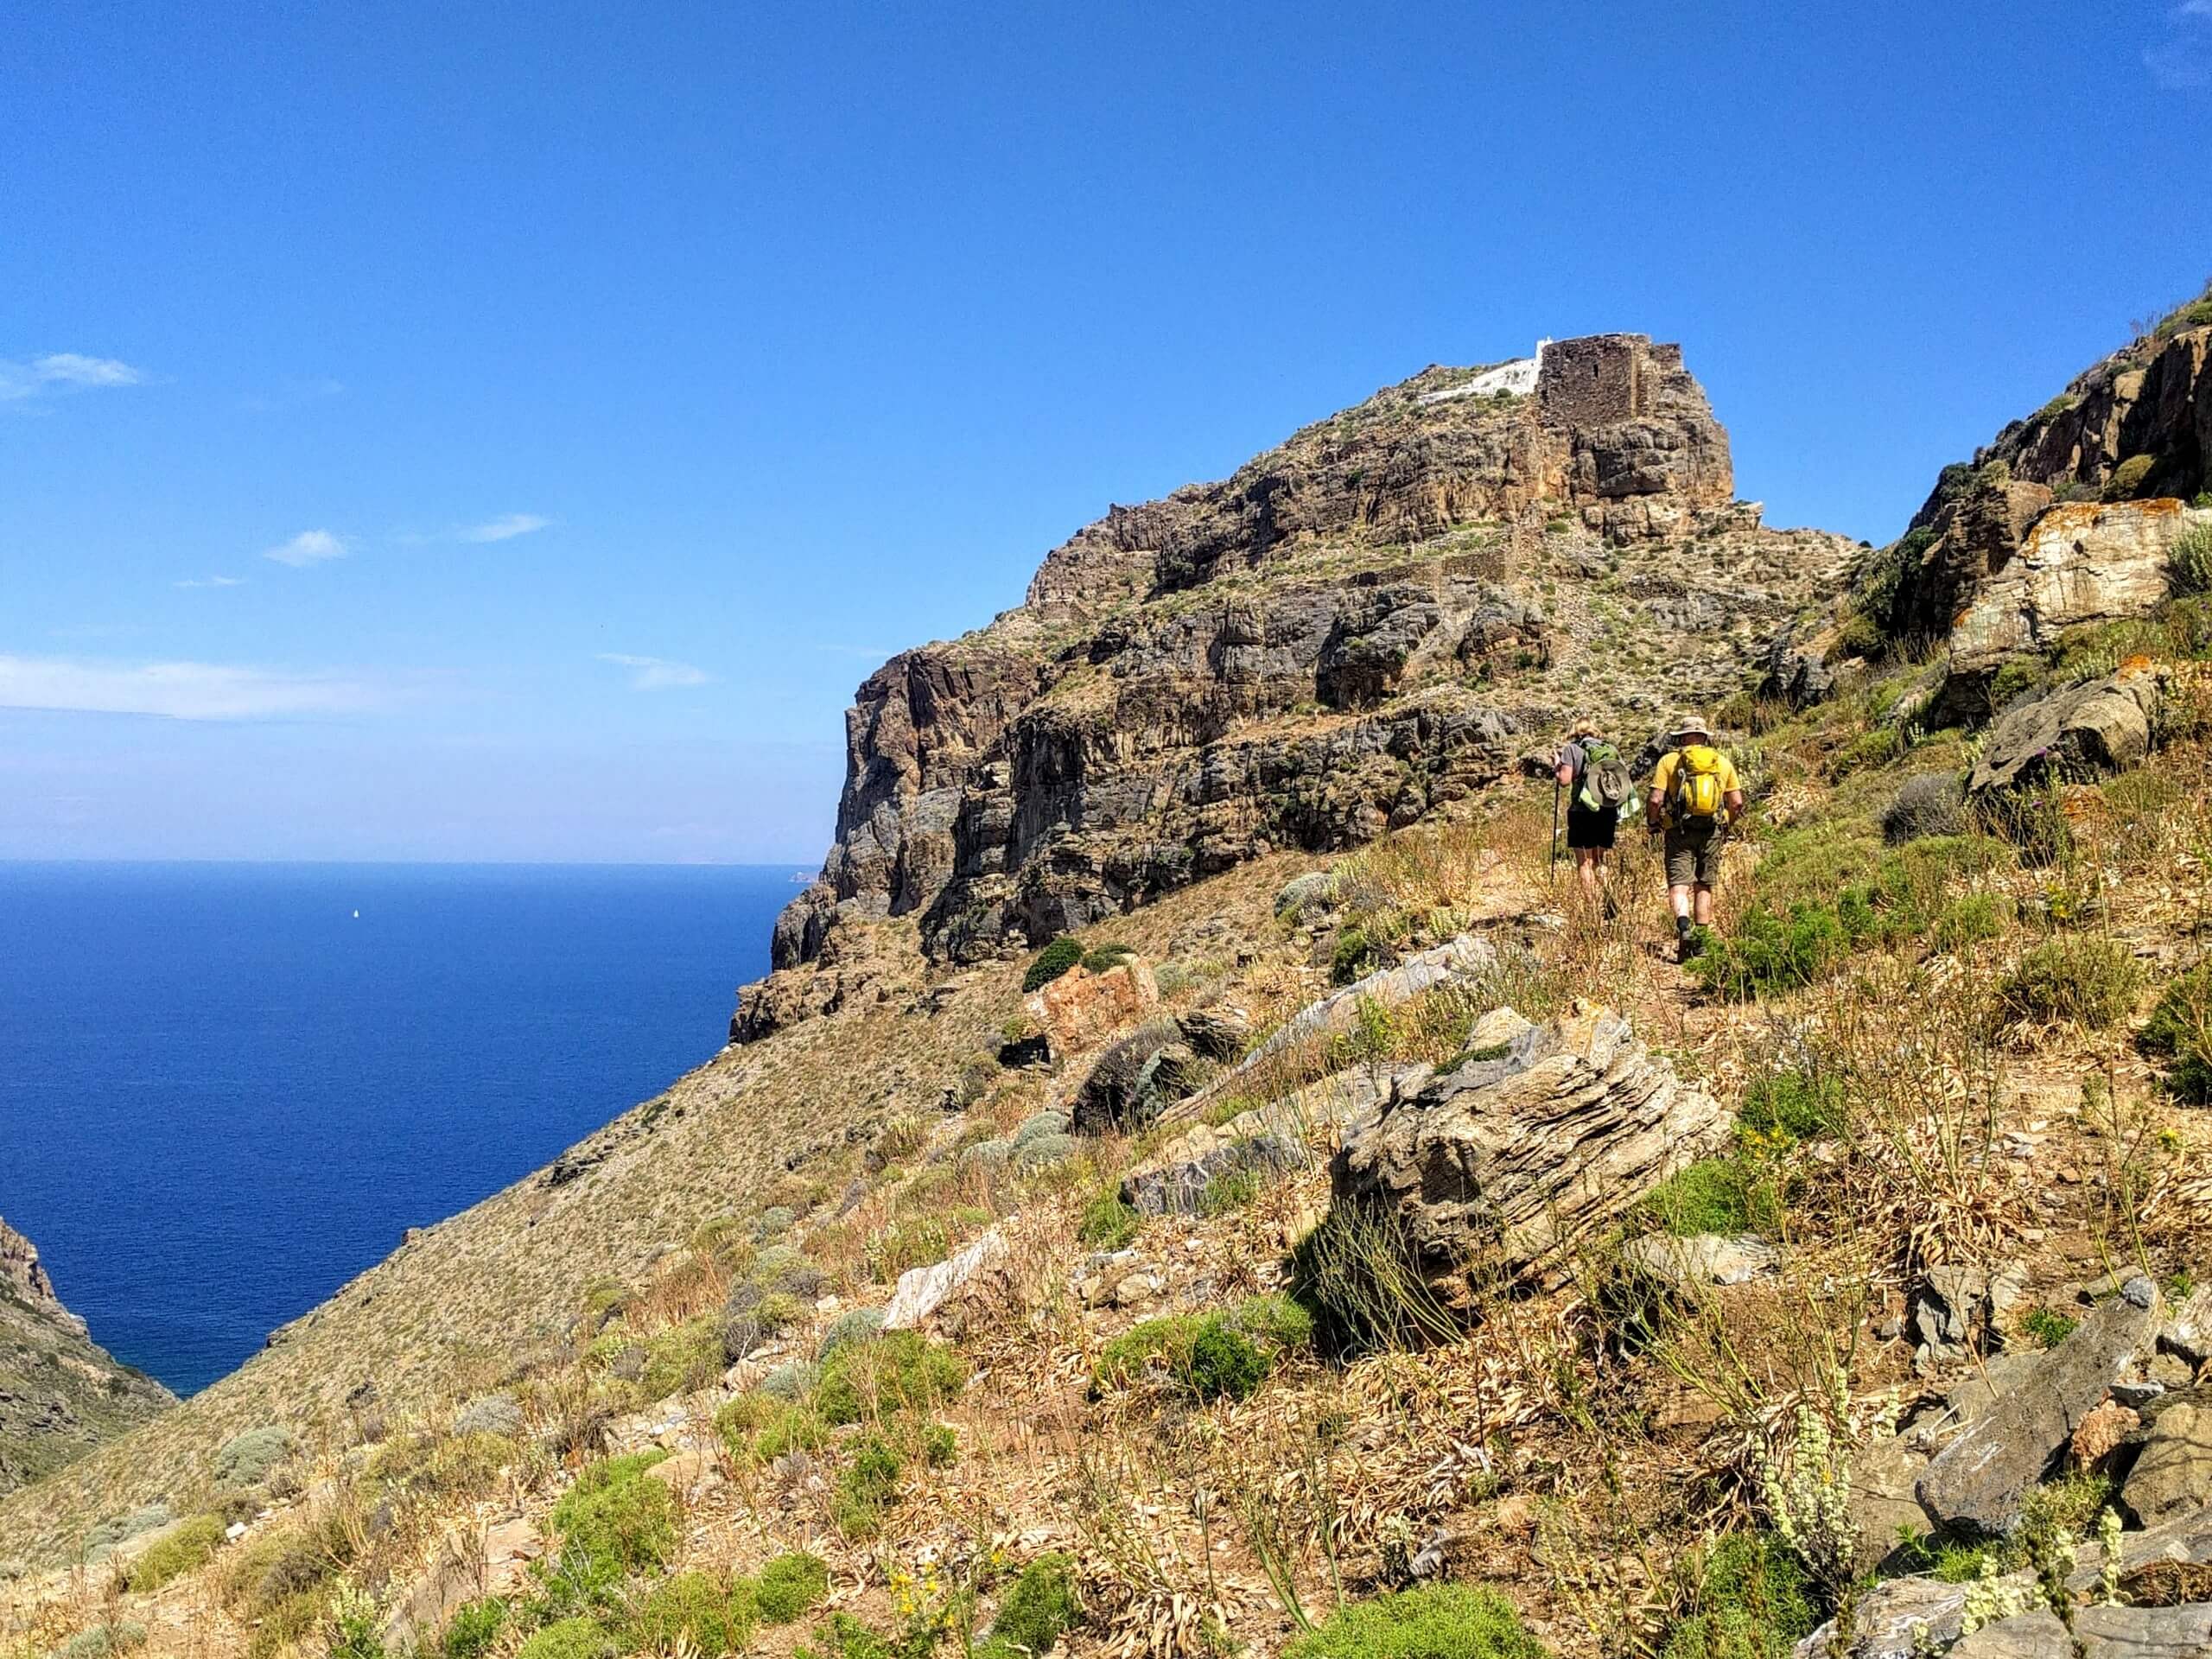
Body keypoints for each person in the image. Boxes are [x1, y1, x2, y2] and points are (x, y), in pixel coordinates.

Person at [1646, 713, 1745, 961]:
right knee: (1704, 884)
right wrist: (1726, 826)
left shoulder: (1669, 761)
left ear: (1682, 738)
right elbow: (1737, 803)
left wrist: (1653, 823)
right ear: (1704, 737)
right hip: (1711, 830)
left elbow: (1655, 799)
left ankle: (1683, 929)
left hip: (1677, 830)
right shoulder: (1721, 762)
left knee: (1679, 885)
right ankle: (1702, 943)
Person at [1553, 720, 1623, 906]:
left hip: (1582, 810)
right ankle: (1609, 898)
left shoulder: (1572, 749)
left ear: (1575, 731)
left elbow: (1565, 780)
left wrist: (1557, 767)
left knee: (1585, 862)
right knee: (1600, 859)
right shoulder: (1611, 749)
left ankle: (1592, 910)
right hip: (1607, 809)